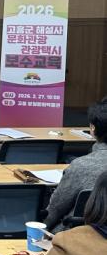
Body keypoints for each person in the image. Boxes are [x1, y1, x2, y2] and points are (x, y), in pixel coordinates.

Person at [44, 97, 107, 232]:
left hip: (80, 235)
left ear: (93, 128)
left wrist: (41, 229)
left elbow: (55, 210)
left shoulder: (81, 166)